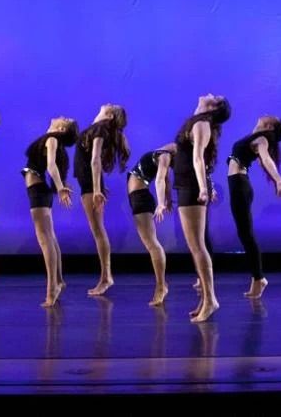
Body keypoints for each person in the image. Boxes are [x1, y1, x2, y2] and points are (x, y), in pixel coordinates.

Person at [173, 94, 231, 322]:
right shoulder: (196, 122)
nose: (210, 93)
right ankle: (205, 299)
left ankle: (211, 300)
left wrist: (203, 189)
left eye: (215, 97)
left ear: (214, 107)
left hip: (191, 186)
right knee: (196, 246)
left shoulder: (202, 124)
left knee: (198, 247)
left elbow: (199, 158)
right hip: (186, 185)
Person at [227, 116, 281, 299]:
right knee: (244, 233)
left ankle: (259, 278)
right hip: (237, 184)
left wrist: (278, 180)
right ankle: (257, 277)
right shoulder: (257, 137)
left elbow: (266, 159)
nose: (265, 114)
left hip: (239, 185)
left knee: (246, 234)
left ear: (270, 126)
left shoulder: (262, 139)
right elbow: (263, 159)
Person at [22, 116, 79, 307]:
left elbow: (51, 165)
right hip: (39, 191)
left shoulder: (52, 139)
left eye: (65, 119)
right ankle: (59, 280)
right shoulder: (51, 140)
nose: (60, 116)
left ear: (61, 129)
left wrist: (61, 186)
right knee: (50, 237)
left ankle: (52, 288)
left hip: (38, 191)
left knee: (45, 239)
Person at [73, 104, 130, 296]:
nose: (108, 103)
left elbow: (95, 160)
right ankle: (106, 276)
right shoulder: (98, 128)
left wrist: (97, 189)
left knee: (98, 230)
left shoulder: (99, 129)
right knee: (98, 230)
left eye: (112, 106)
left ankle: (106, 277)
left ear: (110, 115)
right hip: (89, 184)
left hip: (90, 187)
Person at [127, 143, 177, 306]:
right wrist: (168, 199)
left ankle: (161, 286)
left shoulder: (164, 155)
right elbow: (167, 180)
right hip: (137, 198)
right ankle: (162, 285)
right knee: (151, 244)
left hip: (141, 198)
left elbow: (161, 179)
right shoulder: (162, 155)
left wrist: (162, 203)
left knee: (152, 245)